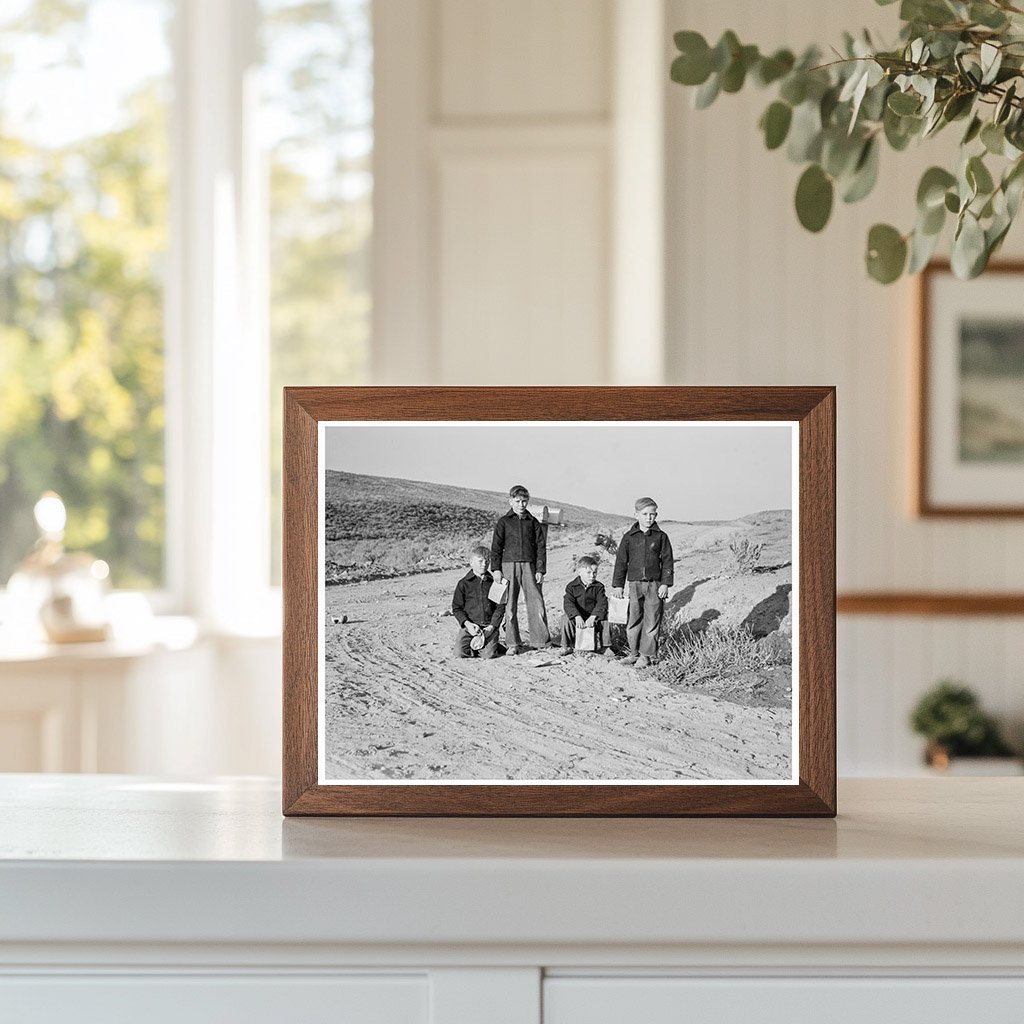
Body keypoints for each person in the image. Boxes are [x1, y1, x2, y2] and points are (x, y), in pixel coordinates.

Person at [612, 497, 674, 668]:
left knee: (652, 620)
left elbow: (667, 561)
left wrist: (665, 583)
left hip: (655, 585)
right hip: (634, 585)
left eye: (652, 514)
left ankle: (646, 655)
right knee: (633, 620)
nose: (648, 518)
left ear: (656, 515)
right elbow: (621, 562)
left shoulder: (661, 537)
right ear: (636, 515)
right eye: (645, 514)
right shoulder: (629, 537)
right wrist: (618, 585)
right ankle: (633, 653)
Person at [490, 484, 550, 654]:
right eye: (517, 501)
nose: (521, 505)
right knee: (509, 605)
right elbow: (496, 547)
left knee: (536, 603)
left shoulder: (533, 522)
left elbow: (541, 547)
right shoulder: (503, 522)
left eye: (524, 501)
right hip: (508, 566)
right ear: (511, 501)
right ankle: (513, 643)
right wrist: (496, 569)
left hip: (530, 566)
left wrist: (540, 569)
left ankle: (540, 641)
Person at [451, 546, 505, 659]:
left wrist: (492, 627)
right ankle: (483, 645)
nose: (484, 564)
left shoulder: (494, 583)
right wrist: (468, 624)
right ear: (471, 562)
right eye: (480, 561)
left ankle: (490, 645)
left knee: (488, 655)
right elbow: (457, 608)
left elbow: (500, 607)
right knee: (459, 653)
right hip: (470, 627)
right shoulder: (463, 583)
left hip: (488, 627)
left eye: (487, 561)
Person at [557, 554, 614, 657]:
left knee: (606, 618)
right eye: (588, 572)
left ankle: (606, 647)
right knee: (565, 618)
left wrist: (593, 616)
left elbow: (602, 603)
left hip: (594, 617)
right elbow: (568, 603)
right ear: (579, 572)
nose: (592, 575)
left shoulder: (599, 587)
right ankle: (566, 646)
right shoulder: (572, 586)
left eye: (595, 572)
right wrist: (576, 616)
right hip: (578, 617)